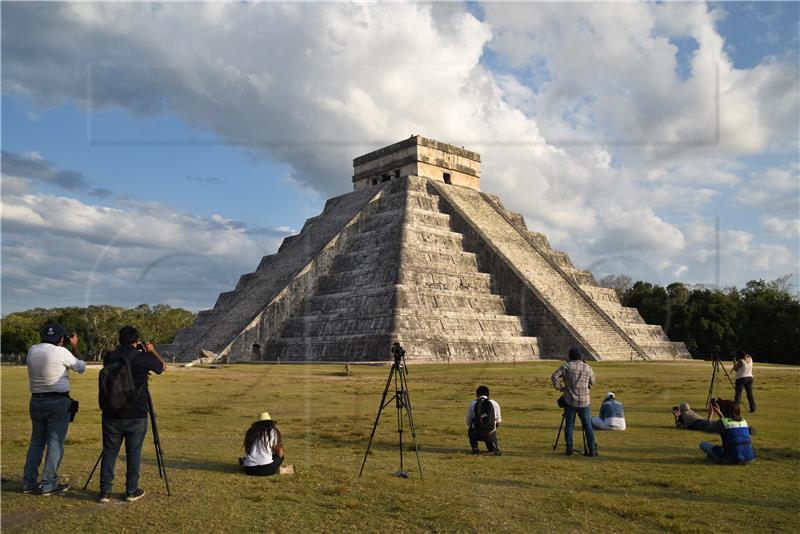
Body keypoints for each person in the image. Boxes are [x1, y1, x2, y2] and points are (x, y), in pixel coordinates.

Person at [98, 326, 166, 503]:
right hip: (136, 413)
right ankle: (131, 490)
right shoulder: (142, 357)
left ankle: (105, 491)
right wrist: (152, 351)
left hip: (111, 411)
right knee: (134, 452)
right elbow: (162, 367)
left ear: (120, 340)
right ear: (137, 341)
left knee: (109, 451)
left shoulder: (110, 356)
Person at [22, 322, 86, 495]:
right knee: (54, 443)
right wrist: (74, 346)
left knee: (36, 442)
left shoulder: (32, 350)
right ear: (61, 338)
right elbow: (81, 367)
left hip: (36, 400)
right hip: (57, 401)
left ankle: (28, 482)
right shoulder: (61, 351)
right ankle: (49, 483)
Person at [551, 347, 597, 456]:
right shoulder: (587, 368)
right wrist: (586, 385)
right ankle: (592, 449)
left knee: (569, 425)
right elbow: (593, 381)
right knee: (587, 426)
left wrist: (561, 388)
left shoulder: (566, 366)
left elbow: (554, 376)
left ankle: (569, 448)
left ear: (570, 356)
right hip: (584, 401)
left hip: (570, 400)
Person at [699, 400, 755, 464]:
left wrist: (710, 414)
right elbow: (728, 422)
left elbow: (708, 428)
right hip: (750, 458)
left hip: (732, 459)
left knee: (703, 444)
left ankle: (715, 458)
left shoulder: (723, 422)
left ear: (725, 410)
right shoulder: (744, 421)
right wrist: (719, 413)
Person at [240, 412, 285, 476]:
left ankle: (244, 461)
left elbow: (248, 449)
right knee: (280, 457)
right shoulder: (272, 431)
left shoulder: (251, 431)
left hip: (248, 469)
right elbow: (279, 452)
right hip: (266, 470)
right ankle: (278, 469)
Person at [465, 385, 503, 455]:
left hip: (476, 433)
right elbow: (498, 422)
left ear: (477, 395)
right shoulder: (494, 403)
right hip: (490, 434)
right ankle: (494, 447)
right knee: (491, 431)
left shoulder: (473, 403)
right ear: (488, 394)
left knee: (470, 429)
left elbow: (468, 422)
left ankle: (475, 447)